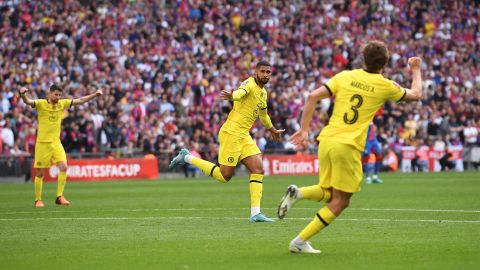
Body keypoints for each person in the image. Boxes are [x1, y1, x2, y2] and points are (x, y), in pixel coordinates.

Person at [277, 41, 423, 253]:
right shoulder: (386, 86)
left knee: (329, 192)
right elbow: (416, 95)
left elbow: (312, 96)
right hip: (347, 146)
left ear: (363, 58)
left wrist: (304, 130)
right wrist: (416, 69)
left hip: (326, 140)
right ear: (385, 63)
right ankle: (299, 242)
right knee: (341, 201)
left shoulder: (345, 76)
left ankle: (298, 193)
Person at [169, 60, 284, 222]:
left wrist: (272, 129)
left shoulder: (263, 93)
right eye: (263, 71)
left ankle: (255, 213)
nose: (266, 74)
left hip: (243, 135)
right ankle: (187, 157)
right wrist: (232, 96)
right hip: (231, 133)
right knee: (225, 176)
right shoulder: (249, 84)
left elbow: (263, 115)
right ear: (256, 71)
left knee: (258, 169)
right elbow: (240, 92)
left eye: (268, 72)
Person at [19, 84, 103, 207]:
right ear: (49, 93)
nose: (58, 97)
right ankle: (38, 200)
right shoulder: (41, 103)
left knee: (63, 166)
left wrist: (94, 95)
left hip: (56, 143)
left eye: (60, 95)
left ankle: (59, 196)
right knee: (40, 173)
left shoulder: (62, 104)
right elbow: (28, 102)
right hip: (43, 143)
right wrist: (22, 94)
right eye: (56, 94)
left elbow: (79, 100)